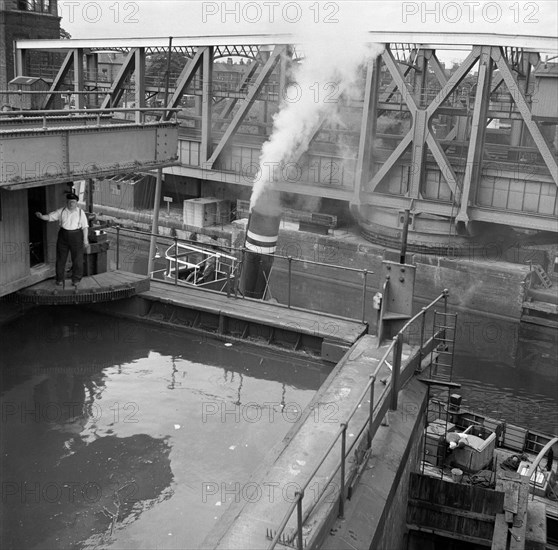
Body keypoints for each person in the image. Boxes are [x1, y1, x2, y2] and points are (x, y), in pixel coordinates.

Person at [36, 192, 89, 287]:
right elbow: (50, 217)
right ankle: (59, 279)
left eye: (73, 202)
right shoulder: (61, 211)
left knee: (77, 259)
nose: (71, 203)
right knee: (61, 258)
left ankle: (76, 279)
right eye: (70, 201)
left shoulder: (81, 213)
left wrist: (85, 240)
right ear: (67, 202)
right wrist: (41, 216)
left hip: (76, 236)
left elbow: (85, 227)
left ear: (76, 202)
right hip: (63, 236)